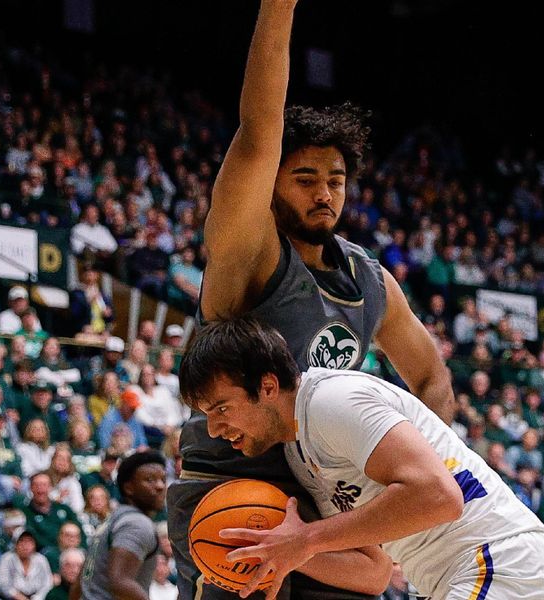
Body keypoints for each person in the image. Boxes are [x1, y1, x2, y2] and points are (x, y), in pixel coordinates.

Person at [167, 1, 453, 599]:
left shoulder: (372, 282)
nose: (324, 194)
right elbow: (256, 132)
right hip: (234, 475)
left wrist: (421, 465)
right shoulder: (250, 251)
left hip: (320, 491)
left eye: (336, 180)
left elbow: (430, 376)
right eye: (304, 179)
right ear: (271, 182)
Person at [179, 317, 544, 600]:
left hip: (503, 563)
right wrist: (286, 553)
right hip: (464, 576)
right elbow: (374, 573)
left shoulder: (331, 402)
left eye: (221, 409)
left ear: (267, 387)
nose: (214, 429)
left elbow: (439, 496)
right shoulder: (300, 452)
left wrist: (307, 539)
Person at [71, 451, 166, 600]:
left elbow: (78, 585)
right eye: (149, 480)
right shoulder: (137, 523)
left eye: (163, 479)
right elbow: (120, 582)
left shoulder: (112, 519)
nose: (160, 486)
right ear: (129, 488)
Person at [0, 528, 53, 600]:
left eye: (29, 541)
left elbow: (47, 584)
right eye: (21, 541)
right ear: (15, 544)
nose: (25, 545)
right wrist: (20, 598)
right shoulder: (7, 558)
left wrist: (37, 598)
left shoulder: (41, 560)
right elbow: (2, 585)